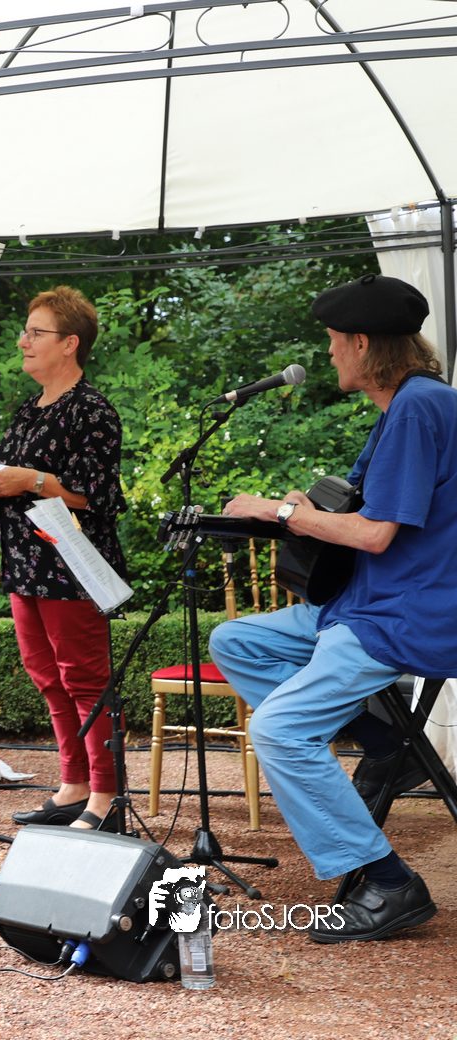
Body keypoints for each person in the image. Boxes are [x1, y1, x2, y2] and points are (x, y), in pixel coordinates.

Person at [209, 273, 451, 943]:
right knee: (236, 642)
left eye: (334, 340)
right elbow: (369, 508)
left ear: (363, 343)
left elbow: (375, 536)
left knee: (280, 731)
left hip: (406, 613)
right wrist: (307, 508)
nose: (329, 352)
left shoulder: (418, 408)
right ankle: (385, 744)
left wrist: (283, 513)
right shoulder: (409, 404)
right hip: (369, 601)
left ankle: (389, 883)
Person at [0, 286, 129, 831]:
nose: (23, 341)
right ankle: (74, 785)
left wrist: (30, 480)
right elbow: (21, 481)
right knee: (47, 677)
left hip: (70, 566)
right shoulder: (28, 410)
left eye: (36, 332)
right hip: (25, 563)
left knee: (85, 679)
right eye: (25, 331)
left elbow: (97, 496)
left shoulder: (92, 410)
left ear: (69, 343)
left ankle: (106, 798)